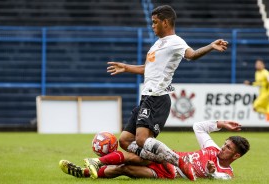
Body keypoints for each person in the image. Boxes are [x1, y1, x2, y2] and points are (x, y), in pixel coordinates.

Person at [85, 5, 228, 179]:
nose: (152, 25)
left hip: (157, 97)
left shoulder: (176, 41)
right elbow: (149, 69)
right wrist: (126, 67)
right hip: (146, 97)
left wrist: (211, 46)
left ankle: (178, 161)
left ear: (166, 22)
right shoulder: (157, 44)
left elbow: (191, 55)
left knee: (141, 140)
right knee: (124, 140)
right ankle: (162, 160)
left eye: (155, 22)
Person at [59, 120, 250, 181]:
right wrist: (220, 124)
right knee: (138, 157)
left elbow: (218, 178)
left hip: (171, 174)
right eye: (224, 144)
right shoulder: (212, 148)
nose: (222, 148)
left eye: (227, 149)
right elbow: (199, 127)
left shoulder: (227, 173)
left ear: (236, 156)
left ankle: (92, 167)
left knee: (125, 169)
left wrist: (210, 172)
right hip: (169, 159)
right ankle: (87, 170)